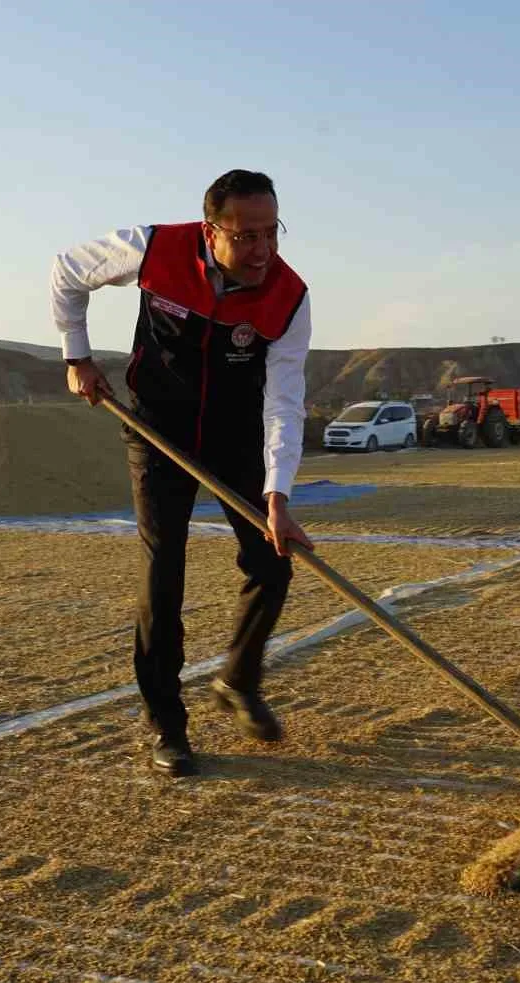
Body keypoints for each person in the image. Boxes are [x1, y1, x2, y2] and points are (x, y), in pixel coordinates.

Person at [51, 169, 313, 777]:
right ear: (209, 229)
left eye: (271, 232)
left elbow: (284, 401)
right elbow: (66, 269)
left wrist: (277, 493)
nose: (262, 250)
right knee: (163, 568)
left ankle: (238, 681)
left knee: (273, 560)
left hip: (234, 433)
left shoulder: (288, 297)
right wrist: (77, 354)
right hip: (156, 428)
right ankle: (166, 724)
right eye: (246, 235)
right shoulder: (152, 248)